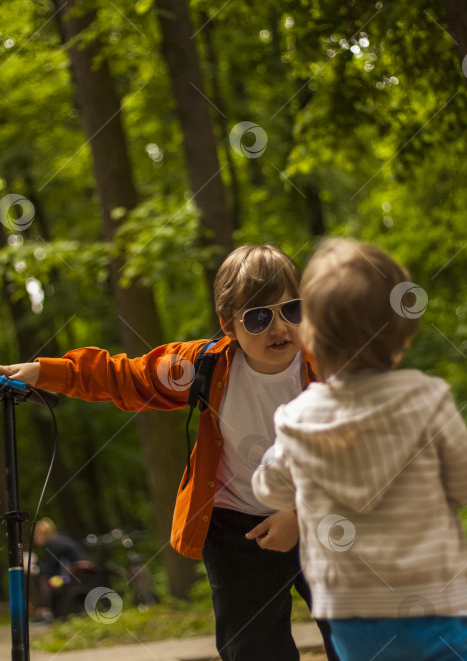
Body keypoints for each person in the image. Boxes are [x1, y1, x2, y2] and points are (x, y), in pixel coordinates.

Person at [0, 244, 339, 661]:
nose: (279, 327)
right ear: (228, 325)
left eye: (292, 310)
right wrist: (44, 371)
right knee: (252, 649)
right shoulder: (202, 366)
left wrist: (300, 517)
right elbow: (123, 375)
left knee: (361, 637)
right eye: (258, 316)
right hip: (236, 531)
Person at [252, 237, 467, 661]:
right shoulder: (426, 400)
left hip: (351, 614)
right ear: (403, 338)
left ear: (309, 345)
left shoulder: (296, 420)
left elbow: (270, 490)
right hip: (434, 600)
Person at [31, 517, 95, 621]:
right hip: (72, 574)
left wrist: (34, 568)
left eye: (36, 536)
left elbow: (51, 568)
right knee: (47, 579)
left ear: (42, 534)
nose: (35, 539)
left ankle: (45, 611)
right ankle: (47, 611)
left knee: (45, 580)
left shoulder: (54, 544)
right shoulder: (57, 541)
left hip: (70, 576)